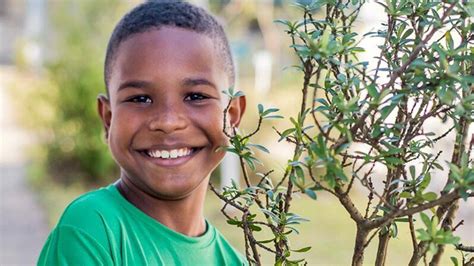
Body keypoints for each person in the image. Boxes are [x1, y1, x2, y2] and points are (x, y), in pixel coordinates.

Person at [38, 1, 247, 265]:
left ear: (232, 114)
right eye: (140, 99)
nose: (168, 122)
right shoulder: (93, 229)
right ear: (108, 118)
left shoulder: (234, 261)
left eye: (195, 96)